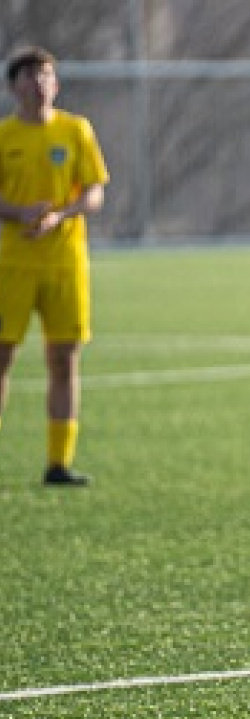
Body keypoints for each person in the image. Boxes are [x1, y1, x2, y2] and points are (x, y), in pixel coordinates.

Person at [0, 45, 109, 486]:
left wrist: (60, 215)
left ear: (56, 84)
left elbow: (95, 191)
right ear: (13, 88)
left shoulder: (76, 130)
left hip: (65, 262)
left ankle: (58, 463)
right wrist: (19, 212)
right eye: (29, 77)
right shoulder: (4, 137)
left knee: (64, 359)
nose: (38, 84)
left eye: (45, 76)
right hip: (12, 264)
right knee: (2, 358)